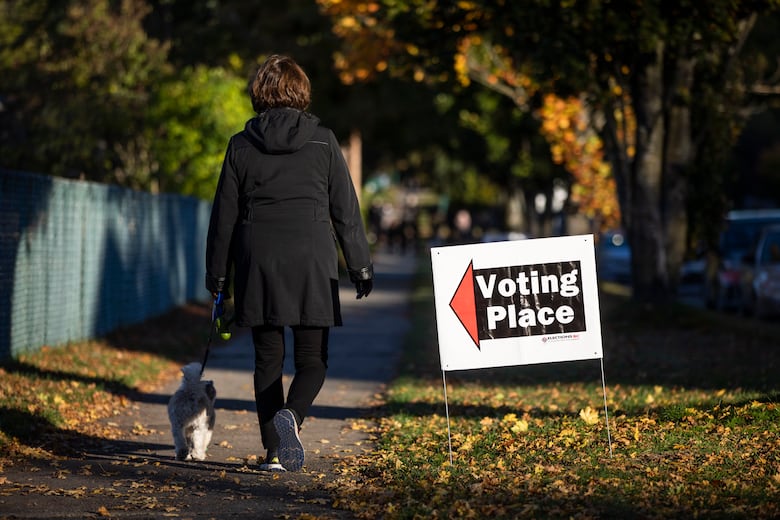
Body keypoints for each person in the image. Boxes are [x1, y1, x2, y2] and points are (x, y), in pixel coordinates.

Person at [205, 54, 373, 472]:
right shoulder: (323, 140)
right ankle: (292, 417)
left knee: (267, 360)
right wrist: (360, 265)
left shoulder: (241, 144)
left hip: (257, 260)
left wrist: (217, 276)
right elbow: (345, 209)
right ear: (301, 92)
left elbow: (223, 216)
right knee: (313, 360)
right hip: (313, 259)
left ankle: (274, 451)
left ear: (259, 93)